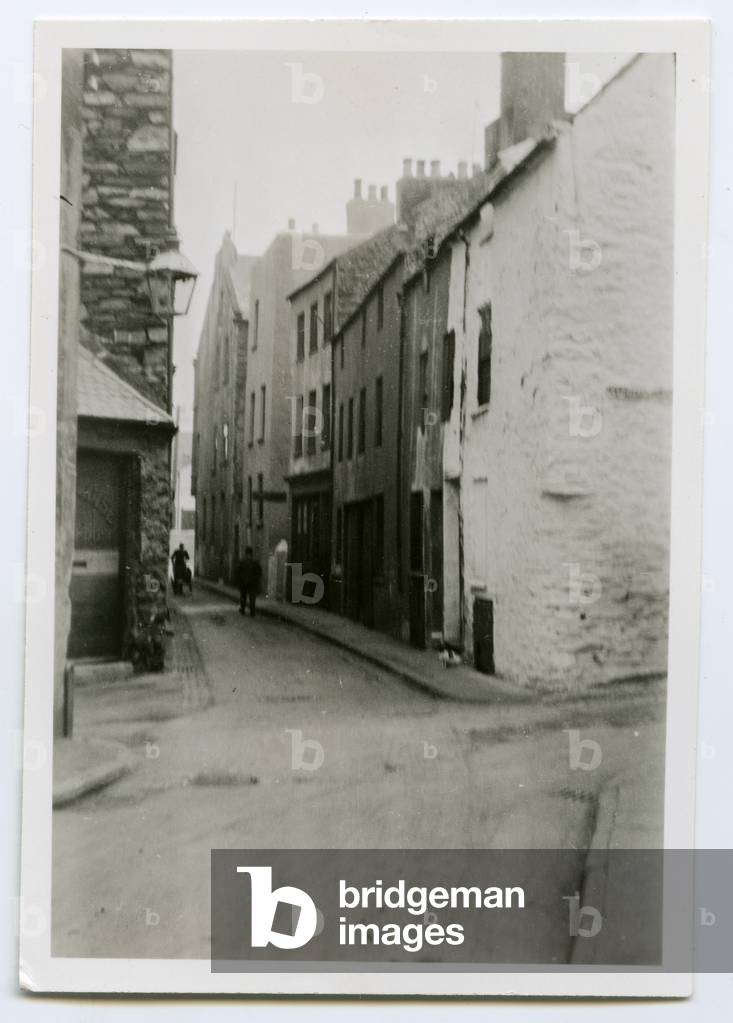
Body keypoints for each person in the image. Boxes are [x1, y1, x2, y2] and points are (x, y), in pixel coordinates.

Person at [235, 546, 262, 616]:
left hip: (244, 583)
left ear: (246, 553)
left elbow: (237, 572)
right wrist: (256, 580)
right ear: (251, 554)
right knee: (252, 598)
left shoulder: (242, 562)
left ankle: (243, 609)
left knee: (243, 597)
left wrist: (239, 581)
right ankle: (252, 612)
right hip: (252, 583)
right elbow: (259, 573)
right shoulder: (255, 562)